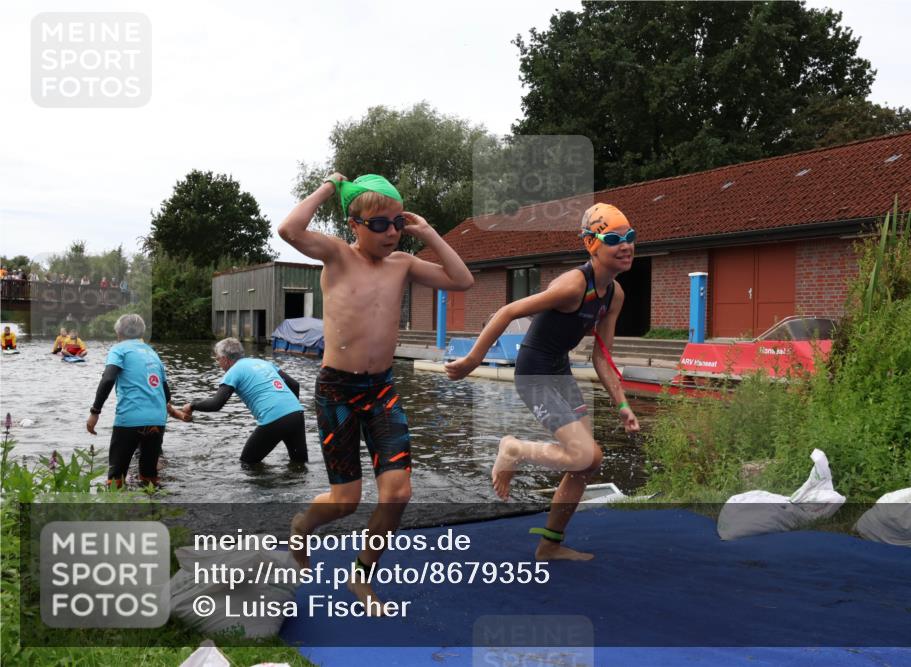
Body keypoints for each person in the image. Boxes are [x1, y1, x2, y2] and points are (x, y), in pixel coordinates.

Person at [277, 172, 473, 612]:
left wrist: (428, 233)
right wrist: (328, 187)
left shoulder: (402, 263)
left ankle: (361, 575)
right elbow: (289, 230)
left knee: (398, 493)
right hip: (337, 390)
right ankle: (302, 525)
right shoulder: (336, 255)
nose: (391, 232)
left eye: (397, 222)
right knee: (346, 502)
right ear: (355, 225)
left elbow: (462, 281)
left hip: (381, 389)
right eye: (380, 224)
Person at [446, 203, 641, 561]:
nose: (626, 245)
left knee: (586, 463)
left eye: (630, 237)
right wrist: (473, 360)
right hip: (534, 371)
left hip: (559, 370)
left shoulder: (615, 295)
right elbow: (507, 311)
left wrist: (623, 404)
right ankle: (514, 449)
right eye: (614, 239)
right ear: (591, 244)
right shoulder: (572, 286)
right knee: (585, 454)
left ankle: (549, 545)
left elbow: (601, 357)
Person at [86, 314, 189, 486]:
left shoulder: (119, 349)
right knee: (149, 478)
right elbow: (166, 394)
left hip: (130, 419)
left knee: (116, 479)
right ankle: (151, 501)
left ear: (119, 333)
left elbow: (108, 378)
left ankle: (118, 500)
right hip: (157, 420)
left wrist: (95, 412)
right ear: (142, 332)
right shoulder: (152, 353)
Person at [181, 337, 308, 466]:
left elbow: (216, 404)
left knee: (247, 463)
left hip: (273, 417)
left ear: (225, 359)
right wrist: (288, 412)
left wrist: (192, 405)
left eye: (218, 359)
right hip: (296, 413)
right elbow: (294, 384)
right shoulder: (263, 362)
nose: (218, 363)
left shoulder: (233, 371)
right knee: (299, 464)